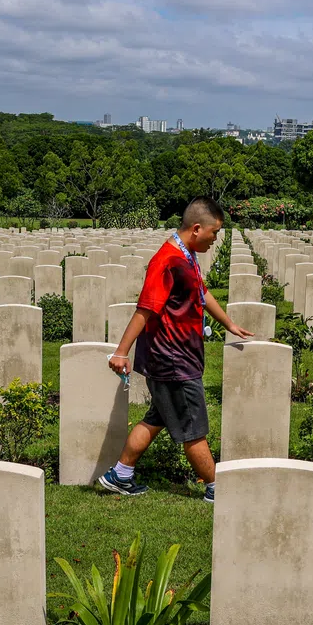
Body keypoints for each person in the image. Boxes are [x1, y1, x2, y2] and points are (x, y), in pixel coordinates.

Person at [98, 197, 252, 502]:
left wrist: (229, 324)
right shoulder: (167, 260)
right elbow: (146, 309)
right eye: (214, 232)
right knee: (193, 427)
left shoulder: (185, 255)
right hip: (173, 361)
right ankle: (216, 488)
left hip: (176, 356)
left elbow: (201, 292)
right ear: (196, 229)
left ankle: (120, 474)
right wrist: (120, 352)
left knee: (158, 417)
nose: (215, 239)